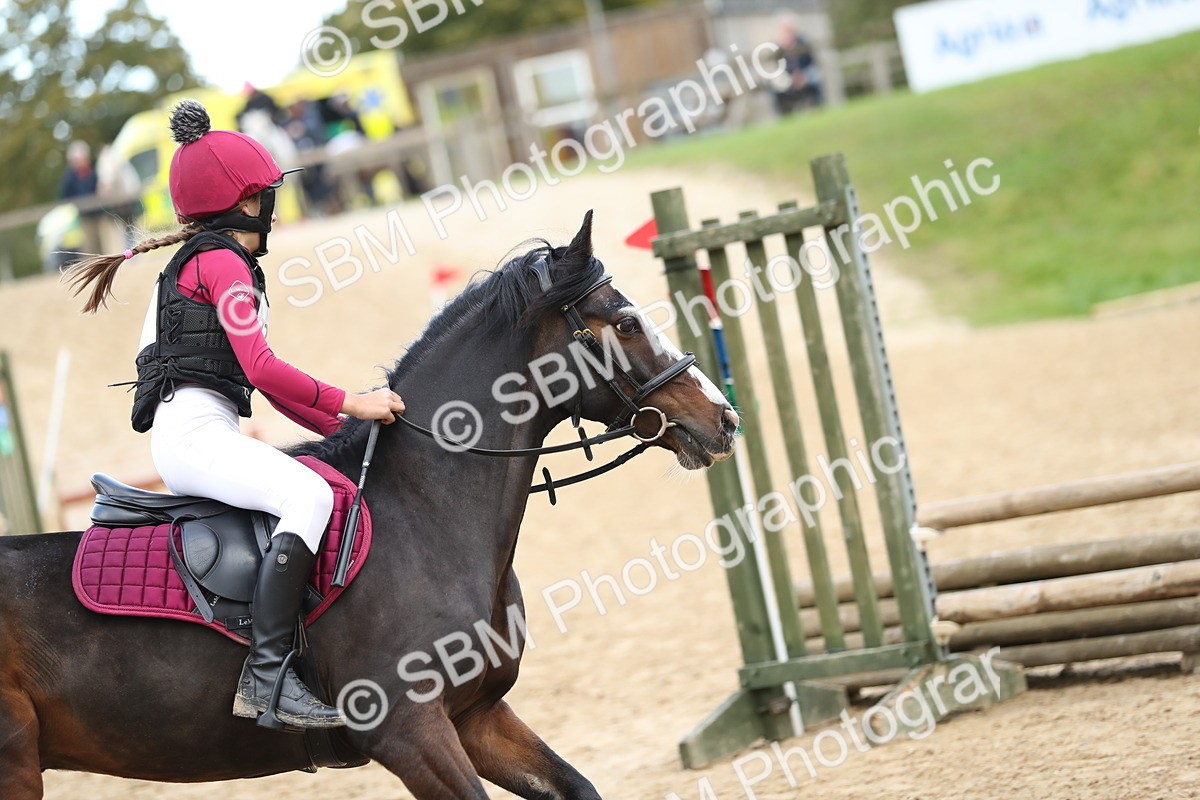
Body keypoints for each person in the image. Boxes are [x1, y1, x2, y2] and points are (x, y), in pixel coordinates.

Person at [63, 100, 405, 731]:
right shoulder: (222, 263)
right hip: (194, 438)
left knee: (311, 482)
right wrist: (354, 401)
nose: (272, 205)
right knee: (308, 499)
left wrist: (348, 432)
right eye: (268, 196)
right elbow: (264, 369)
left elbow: (272, 393)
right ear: (249, 204)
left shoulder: (207, 262)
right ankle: (268, 676)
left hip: (197, 431)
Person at [59, 140, 104, 255]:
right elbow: (64, 196)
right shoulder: (70, 178)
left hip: (98, 214)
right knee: (89, 248)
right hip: (82, 217)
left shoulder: (93, 173)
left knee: (102, 245)